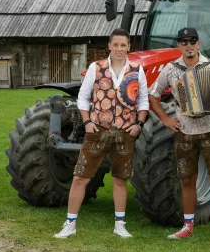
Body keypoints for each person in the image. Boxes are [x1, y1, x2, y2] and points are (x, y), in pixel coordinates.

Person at [148, 27, 210, 248]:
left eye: (192, 41)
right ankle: (187, 226)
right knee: (187, 179)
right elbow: (153, 94)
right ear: (179, 45)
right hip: (185, 132)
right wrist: (165, 120)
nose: (188, 45)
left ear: (198, 44)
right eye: (184, 42)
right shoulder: (171, 69)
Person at [54, 28, 149, 239]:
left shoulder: (137, 69)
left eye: (123, 45)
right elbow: (82, 97)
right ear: (109, 46)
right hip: (97, 130)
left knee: (120, 179)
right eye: (115, 44)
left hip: (125, 132)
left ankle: (120, 225)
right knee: (80, 177)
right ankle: (69, 224)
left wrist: (139, 125)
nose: (119, 49)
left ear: (128, 47)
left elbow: (143, 100)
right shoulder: (96, 67)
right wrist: (87, 122)